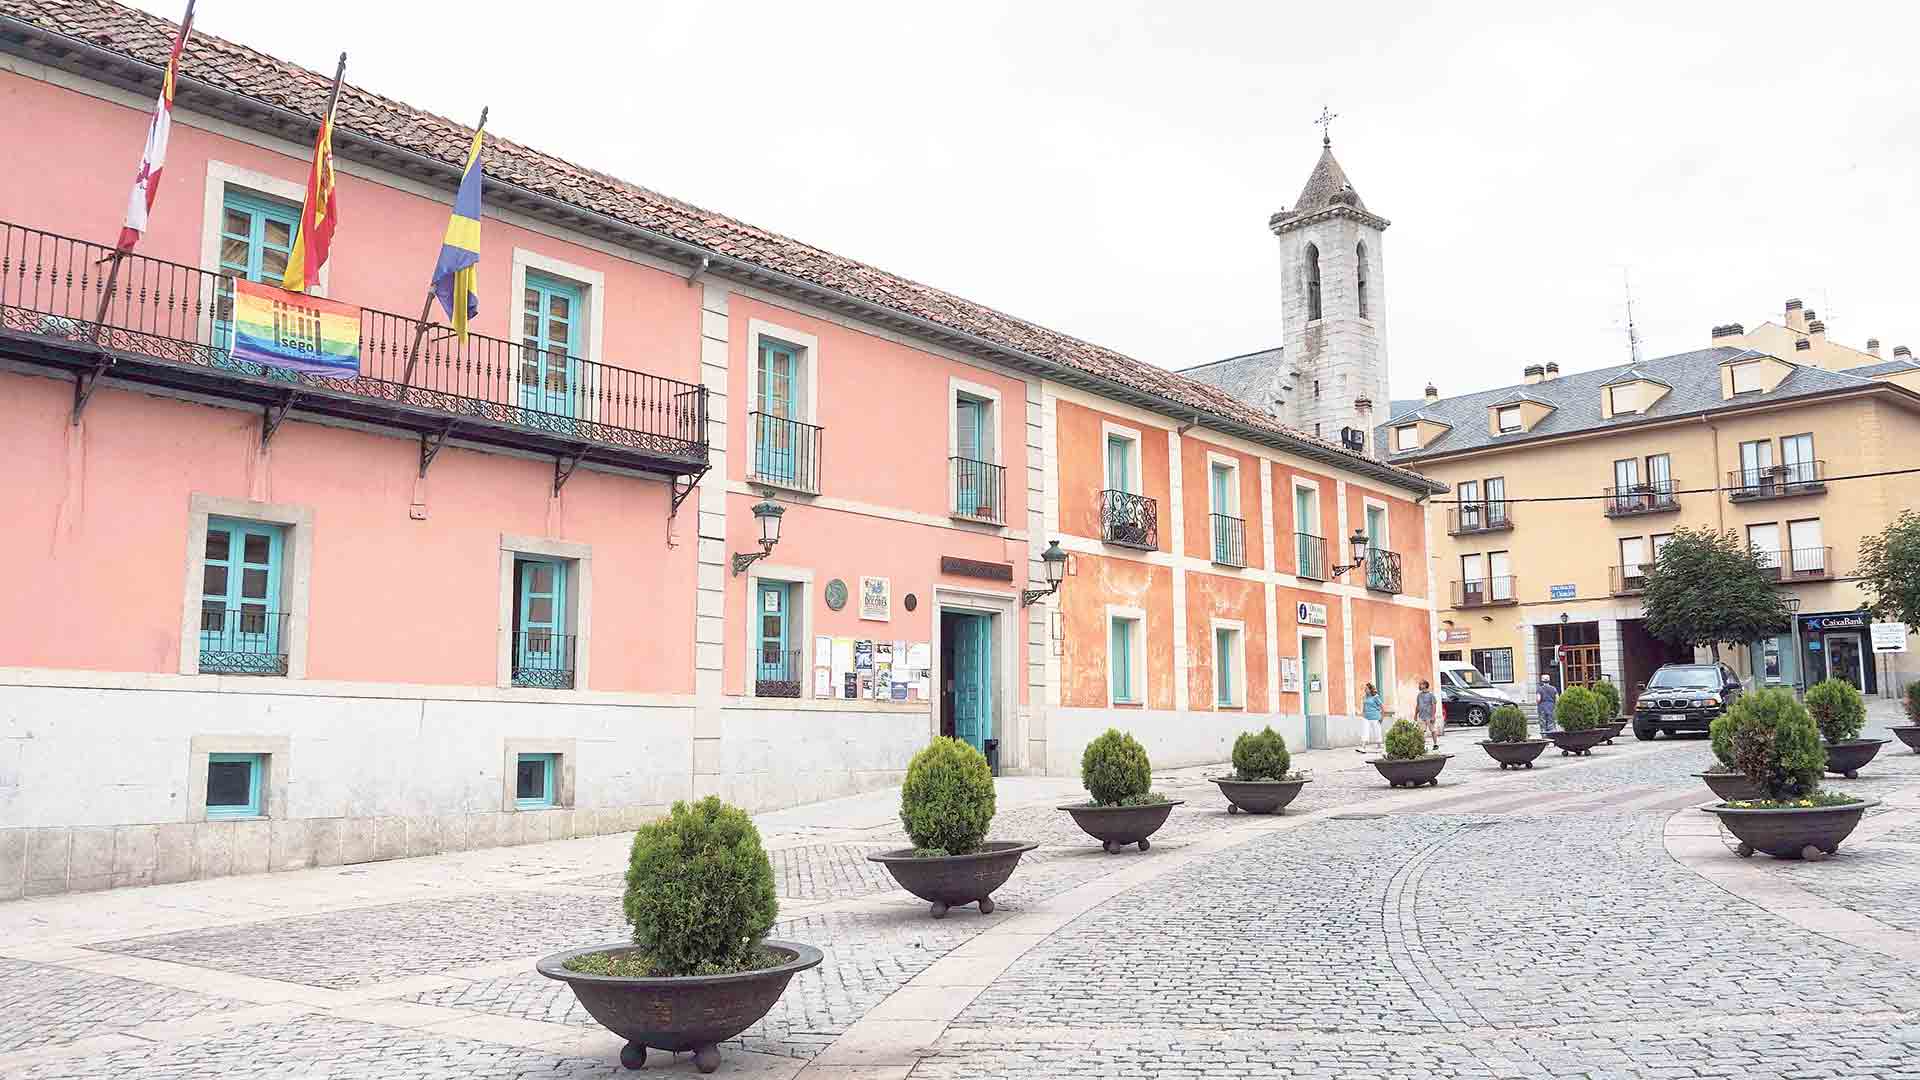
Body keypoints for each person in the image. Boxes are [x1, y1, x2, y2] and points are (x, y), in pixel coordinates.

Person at [1415, 679, 1441, 747]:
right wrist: (1415, 714)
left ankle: (1435, 744)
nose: (1419, 685)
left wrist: (1433, 716)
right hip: (1421, 716)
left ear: (1425, 685)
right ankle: (1421, 745)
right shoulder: (1419, 695)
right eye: (1419, 684)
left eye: (1421, 684)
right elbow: (1418, 705)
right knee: (1421, 731)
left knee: (1432, 730)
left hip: (1429, 716)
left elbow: (1434, 705)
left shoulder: (1431, 695)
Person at [1358, 682, 1383, 752]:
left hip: (1375, 717)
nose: (1365, 690)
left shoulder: (1376, 697)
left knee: (1377, 731)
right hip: (1366, 717)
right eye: (1365, 689)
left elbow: (1382, 707)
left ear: (1370, 689)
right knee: (1365, 731)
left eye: (1366, 689)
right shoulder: (1365, 697)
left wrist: (1381, 717)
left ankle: (1379, 746)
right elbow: (1364, 705)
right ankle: (1363, 746)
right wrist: (1363, 713)